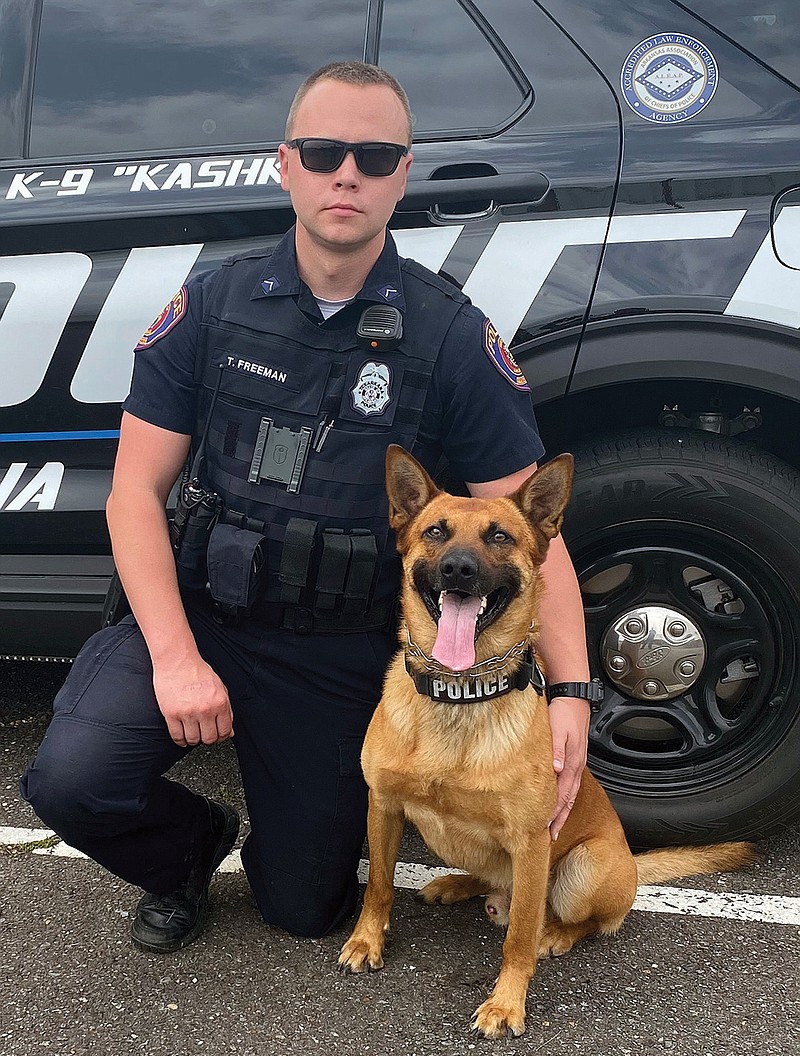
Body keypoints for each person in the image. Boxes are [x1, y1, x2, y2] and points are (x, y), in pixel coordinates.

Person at [21, 62, 592, 950]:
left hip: (333, 655)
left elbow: (533, 535)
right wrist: (174, 660)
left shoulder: (451, 340)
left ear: (404, 173)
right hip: (204, 614)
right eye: (324, 151)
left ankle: (283, 837)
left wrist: (572, 696)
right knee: (71, 781)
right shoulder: (213, 305)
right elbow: (134, 492)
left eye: (375, 154)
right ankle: (187, 849)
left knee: (304, 910)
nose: (348, 174)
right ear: (285, 163)